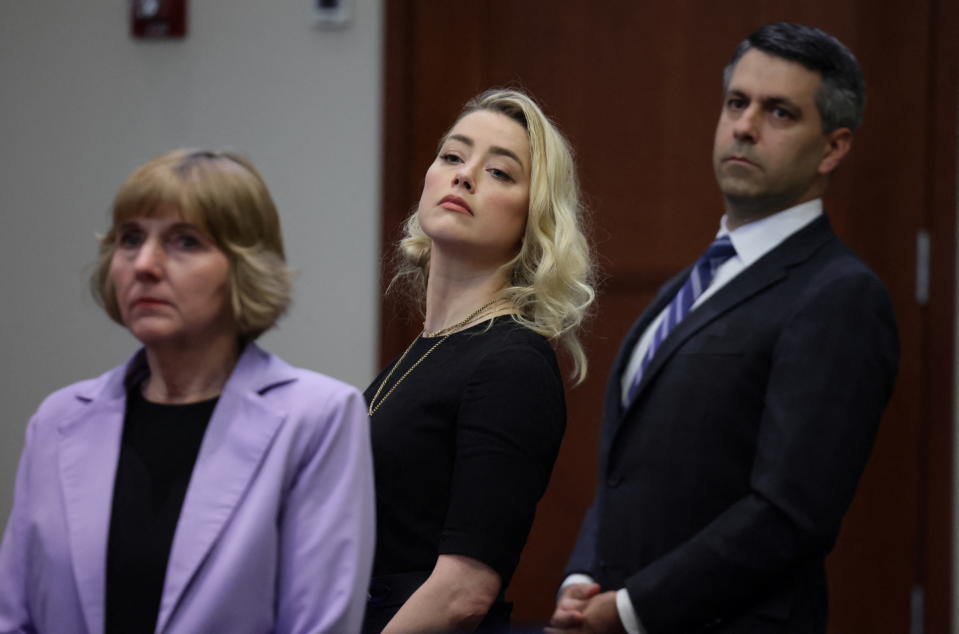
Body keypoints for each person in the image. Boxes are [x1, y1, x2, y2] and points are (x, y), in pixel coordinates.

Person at [549, 22, 899, 634]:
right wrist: (583, 579)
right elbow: (627, 473)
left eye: (780, 112)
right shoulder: (689, 285)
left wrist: (631, 610)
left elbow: (790, 514)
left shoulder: (839, 295)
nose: (744, 125)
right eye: (737, 102)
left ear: (833, 148)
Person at [0, 148, 375, 633]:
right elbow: (14, 617)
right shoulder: (58, 419)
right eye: (130, 239)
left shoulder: (318, 418)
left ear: (243, 267)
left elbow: (318, 624)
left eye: (185, 242)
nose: (145, 265)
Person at [363, 89, 596, 633]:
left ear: (533, 218)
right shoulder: (428, 349)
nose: (464, 175)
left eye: (499, 172)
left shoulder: (512, 363)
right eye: (452, 156)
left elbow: (465, 592)